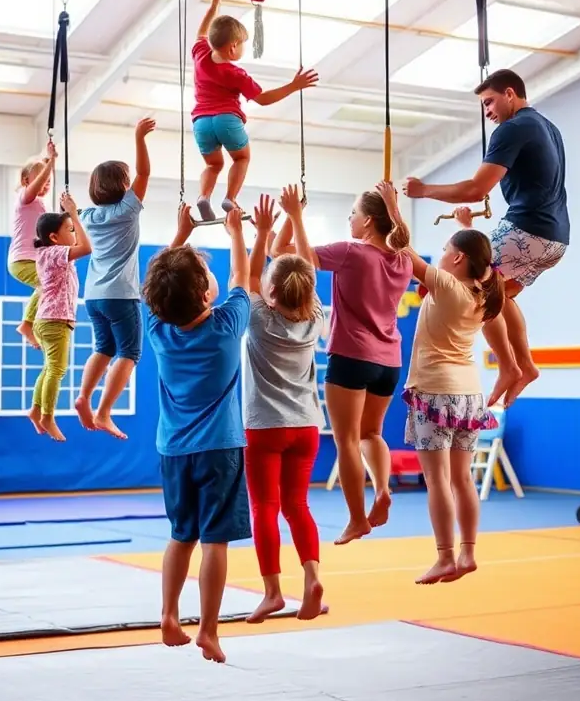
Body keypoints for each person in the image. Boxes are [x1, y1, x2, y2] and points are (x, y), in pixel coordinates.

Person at [403, 68, 569, 407]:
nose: (488, 112)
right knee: (500, 296)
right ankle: (525, 365)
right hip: (555, 239)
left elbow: (477, 189)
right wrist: (467, 229)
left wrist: (423, 191)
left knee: (476, 293)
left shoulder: (513, 128)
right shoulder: (548, 127)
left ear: (511, 94)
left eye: (489, 102)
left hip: (527, 228)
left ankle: (510, 366)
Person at [377, 181, 504, 585]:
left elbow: (402, 250)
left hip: (435, 391)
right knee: (461, 478)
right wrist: (466, 224)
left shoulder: (447, 286)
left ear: (458, 258)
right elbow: (475, 258)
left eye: (448, 249)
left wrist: (393, 207)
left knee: (437, 481)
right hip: (469, 395)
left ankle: (445, 556)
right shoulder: (482, 292)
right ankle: (467, 551)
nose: (443, 253)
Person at [142, 204, 252, 665]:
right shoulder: (226, 327)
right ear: (207, 296)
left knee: (179, 535)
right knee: (215, 542)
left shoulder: (156, 328)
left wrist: (180, 233)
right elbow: (243, 277)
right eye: (207, 275)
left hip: (174, 452)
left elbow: (160, 287)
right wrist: (237, 235)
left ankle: (168, 615)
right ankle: (208, 630)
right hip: (220, 451)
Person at [275, 183, 412, 546]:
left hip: (352, 356)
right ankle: (382, 489)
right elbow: (284, 251)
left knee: (347, 440)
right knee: (372, 433)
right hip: (390, 361)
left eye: (352, 212)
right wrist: (288, 226)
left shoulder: (350, 251)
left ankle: (356, 519)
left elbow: (301, 261)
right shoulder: (403, 260)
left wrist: (295, 216)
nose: (348, 218)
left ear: (368, 221)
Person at [243, 193, 325, 625]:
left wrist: (259, 233)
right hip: (306, 427)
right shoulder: (316, 318)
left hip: (265, 428)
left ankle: (273, 592)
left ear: (270, 293)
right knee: (298, 506)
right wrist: (296, 218)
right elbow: (304, 268)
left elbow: (252, 272)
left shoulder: (259, 317)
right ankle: (312, 576)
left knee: (265, 509)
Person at [192, 0, 319, 221]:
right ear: (232, 48)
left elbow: (202, 31)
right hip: (226, 120)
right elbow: (262, 98)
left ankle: (203, 197)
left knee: (213, 165)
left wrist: (215, 2)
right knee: (241, 158)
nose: (243, 50)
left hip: (201, 123)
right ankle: (229, 198)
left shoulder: (200, 55)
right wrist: (294, 85)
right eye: (242, 46)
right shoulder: (235, 73)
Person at [74, 118, 155, 439]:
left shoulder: (86, 216)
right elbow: (145, 174)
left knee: (102, 347)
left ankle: (84, 395)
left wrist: (68, 207)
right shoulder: (127, 210)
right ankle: (104, 411)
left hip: (93, 296)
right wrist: (139, 137)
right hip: (121, 295)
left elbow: (74, 225)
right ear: (123, 186)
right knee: (130, 353)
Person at [29, 193, 91, 442]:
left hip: (47, 320)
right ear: (54, 237)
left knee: (49, 368)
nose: (75, 232)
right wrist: (73, 213)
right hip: (55, 320)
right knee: (57, 369)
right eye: (70, 230)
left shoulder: (49, 254)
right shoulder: (54, 253)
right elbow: (86, 248)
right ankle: (47, 415)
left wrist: (69, 215)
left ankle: (35, 410)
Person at [7, 141, 57, 348]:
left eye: (48, 182)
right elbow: (37, 185)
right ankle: (27, 325)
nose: (45, 184)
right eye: (41, 180)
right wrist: (51, 162)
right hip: (21, 260)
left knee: (50, 283)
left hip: (33, 260)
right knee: (48, 283)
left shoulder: (42, 205)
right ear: (26, 180)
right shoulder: (25, 198)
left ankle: (29, 324)